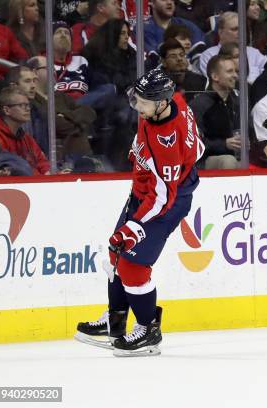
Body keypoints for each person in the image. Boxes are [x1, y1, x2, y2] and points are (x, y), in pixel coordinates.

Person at [75, 68, 204, 357]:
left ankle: (148, 330)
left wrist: (133, 227)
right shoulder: (173, 103)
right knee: (116, 252)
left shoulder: (166, 141)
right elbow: (198, 149)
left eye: (144, 102)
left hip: (164, 204)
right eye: (137, 97)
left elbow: (163, 196)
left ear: (161, 103)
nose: (137, 105)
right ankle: (116, 322)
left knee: (133, 266)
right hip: (145, 193)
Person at [190, 54, 240, 169]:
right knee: (229, 161)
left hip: (236, 156)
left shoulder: (238, 102)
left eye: (236, 71)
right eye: (229, 71)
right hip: (204, 160)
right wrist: (224, 144)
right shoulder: (199, 105)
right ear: (215, 76)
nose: (235, 75)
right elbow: (193, 143)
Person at [0, 87, 51, 175]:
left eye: (28, 105)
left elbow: (43, 163)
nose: (28, 109)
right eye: (22, 105)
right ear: (7, 110)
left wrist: (49, 173)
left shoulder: (26, 137)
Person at [198, 11, 267, 85]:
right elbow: (213, 83)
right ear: (220, 32)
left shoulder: (255, 53)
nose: (240, 32)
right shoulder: (208, 56)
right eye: (234, 29)